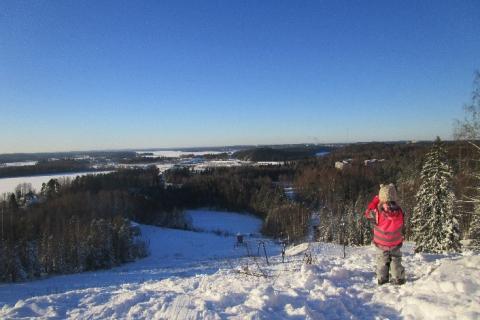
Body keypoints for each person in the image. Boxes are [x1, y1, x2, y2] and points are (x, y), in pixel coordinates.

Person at [365, 184, 406, 285]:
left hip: (381, 242)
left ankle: (382, 278)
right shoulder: (399, 211)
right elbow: (402, 223)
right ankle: (398, 278)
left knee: (382, 260)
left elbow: (368, 213)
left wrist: (375, 201)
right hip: (395, 241)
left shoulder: (378, 212)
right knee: (396, 259)